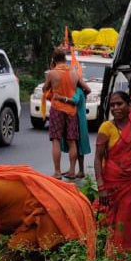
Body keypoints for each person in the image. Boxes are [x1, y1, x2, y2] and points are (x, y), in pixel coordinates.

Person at [94, 91, 131, 259]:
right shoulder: (106, 128)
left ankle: (129, 257)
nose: (115, 108)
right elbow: (97, 159)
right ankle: (114, 258)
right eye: (112, 105)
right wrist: (101, 187)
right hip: (112, 184)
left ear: (129, 106)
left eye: (119, 104)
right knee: (114, 222)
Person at [42, 48, 90, 179]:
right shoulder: (74, 73)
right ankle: (72, 171)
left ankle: (57, 172)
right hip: (71, 111)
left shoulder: (52, 73)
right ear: (65, 59)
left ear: (53, 60)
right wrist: (78, 98)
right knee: (72, 141)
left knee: (56, 140)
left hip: (57, 109)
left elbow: (44, 88)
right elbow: (87, 89)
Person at [54, 85, 91, 178]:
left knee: (77, 145)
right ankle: (73, 169)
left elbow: (74, 101)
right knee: (76, 145)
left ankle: (79, 170)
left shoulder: (77, 90)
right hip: (76, 119)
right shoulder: (78, 89)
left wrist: (60, 98)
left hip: (78, 120)